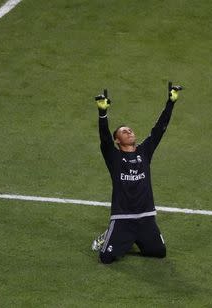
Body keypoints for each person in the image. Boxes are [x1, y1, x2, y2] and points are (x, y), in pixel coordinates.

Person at [92, 83, 183, 264]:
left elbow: (159, 130)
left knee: (159, 252)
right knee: (106, 258)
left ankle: (129, 241)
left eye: (130, 129)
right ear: (117, 140)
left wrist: (170, 102)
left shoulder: (144, 152)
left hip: (145, 216)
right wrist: (103, 114)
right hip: (122, 217)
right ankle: (110, 236)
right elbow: (104, 139)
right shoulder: (114, 157)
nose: (129, 131)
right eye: (124, 131)